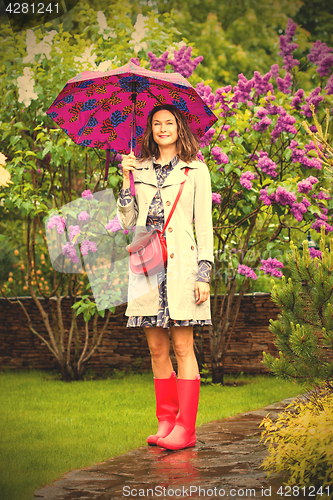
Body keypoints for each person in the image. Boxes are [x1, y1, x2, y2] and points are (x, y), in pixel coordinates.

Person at [116, 104, 214, 451]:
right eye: (156, 123)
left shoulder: (196, 170)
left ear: (179, 127)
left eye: (168, 122)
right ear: (150, 130)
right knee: (157, 348)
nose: (162, 128)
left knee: (182, 345)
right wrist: (125, 182)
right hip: (147, 264)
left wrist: (204, 272)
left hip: (183, 265)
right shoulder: (137, 167)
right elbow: (129, 221)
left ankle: (186, 428)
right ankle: (166, 421)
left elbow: (204, 224)